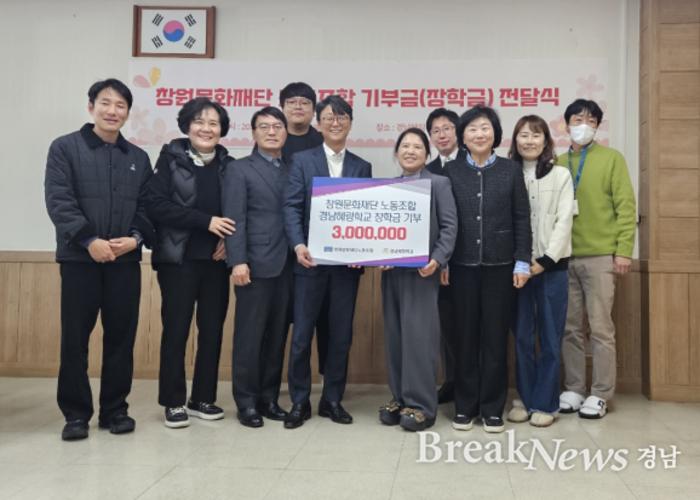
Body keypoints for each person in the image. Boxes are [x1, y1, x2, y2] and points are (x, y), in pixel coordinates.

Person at [44, 78, 153, 441]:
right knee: (75, 339)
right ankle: (76, 414)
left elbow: (147, 207)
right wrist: (89, 240)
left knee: (121, 337)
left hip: (124, 262)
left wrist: (135, 238)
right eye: (105, 103)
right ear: (91, 106)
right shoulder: (65, 148)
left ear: (128, 113)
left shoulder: (137, 158)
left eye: (120, 105)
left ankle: (115, 410)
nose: (112, 111)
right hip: (80, 259)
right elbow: (59, 200)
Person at [284, 95, 372, 429]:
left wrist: (361, 252)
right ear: (318, 124)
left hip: (346, 270)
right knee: (302, 336)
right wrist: (298, 244)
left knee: (340, 336)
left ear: (350, 123)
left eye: (342, 117)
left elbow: (365, 215)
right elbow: (291, 206)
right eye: (329, 118)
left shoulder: (362, 166)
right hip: (308, 264)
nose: (336, 123)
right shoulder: (301, 161)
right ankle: (299, 401)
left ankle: (332, 399)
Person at [146, 97, 234, 429]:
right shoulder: (170, 159)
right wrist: (205, 221)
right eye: (199, 121)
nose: (206, 128)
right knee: (176, 329)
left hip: (216, 262)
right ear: (187, 125)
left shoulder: (229, 165)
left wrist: (230, 240)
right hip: (178, 259)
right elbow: (155, 205)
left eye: (213, 123)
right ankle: (173, 401)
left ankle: (203, 398)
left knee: (212, 330)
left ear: (222, 130)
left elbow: (239, 210)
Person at [444, 105, 531, 434]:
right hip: (461, 266)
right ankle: (465, 406)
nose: (479, 134)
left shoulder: (510, 170)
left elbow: (521, 217)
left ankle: (493, 408)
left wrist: (522, 260)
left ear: (495, 134)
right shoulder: (452, 171)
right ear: (462, 137)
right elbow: (445, 219)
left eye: (485, 128)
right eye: (472, 129)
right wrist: (444, 260)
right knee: (464, 338)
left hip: (501, 267)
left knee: (495, 339)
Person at [556, 99, 636, 419]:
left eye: (591, 120)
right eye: (578, 119)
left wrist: (624, 250)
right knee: (570, 328)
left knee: (601, 328)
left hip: (601, 256)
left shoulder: (612, 159)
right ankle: (574, 388)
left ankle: (601, 393)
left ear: (598, 126)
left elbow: (626, 207)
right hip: (564, 257)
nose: (584, 125)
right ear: (566, 125)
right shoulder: (558, 162)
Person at [379, 128, 457, 432]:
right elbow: (381, 230)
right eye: (405, 146)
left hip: (423, 274)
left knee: (419, 338)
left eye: (417, 147)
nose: (410, 151)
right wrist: (374, 254)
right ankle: (399, 397)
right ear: (397, 152)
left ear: (427, 154)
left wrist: (437, 260)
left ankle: (422, 405)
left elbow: (449, 227)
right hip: (392, 273)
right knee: (395, 336)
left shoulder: (439, 183)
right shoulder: (388, 187)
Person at [223, 107, 293, 428]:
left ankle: (269, 398)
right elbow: (234, 218)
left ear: (286, 132)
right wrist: (237, 260)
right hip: (253, 264)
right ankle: (247, 402)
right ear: (253, 133)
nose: (271, 131)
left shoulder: (293, 168)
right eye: (264, 126)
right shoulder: (239, 169)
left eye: (277, 126)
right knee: (249, 337)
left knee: (277, 336)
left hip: (288, 264)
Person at [507, 115, 574, 427]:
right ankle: (525, 397)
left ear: (546, 140)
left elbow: (564, 220)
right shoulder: (508, 174)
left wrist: (545, 260)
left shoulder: (561, 175)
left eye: (536, 135)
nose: (529, 141)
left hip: (552, 268)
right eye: (523, 135)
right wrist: (522, 261)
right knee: (522, 337)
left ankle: (546, 402)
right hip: (518, 269)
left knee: (549, 337)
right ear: (515, 140)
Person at [279, 82, 331, 377]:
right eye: (292, 101)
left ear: (314, 111)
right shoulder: (273, 137)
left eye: (305, 102)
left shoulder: (322, 140)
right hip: (280, 243)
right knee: (284, 315)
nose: (298, 107)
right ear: (283, 107)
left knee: (322, 315)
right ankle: (276, 378)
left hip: (318, 244)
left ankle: (325, 378)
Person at [425, 108, 466, 405]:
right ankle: (452, 380)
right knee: (448, 325)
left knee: (472, 324)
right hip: (441, 263)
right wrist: (441, 259)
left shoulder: (473, 162)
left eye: (447, 128)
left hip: (473, 258)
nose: (442, 135)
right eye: (436, 130)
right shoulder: (427, 171)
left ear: (458, 131)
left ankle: (472, 383)